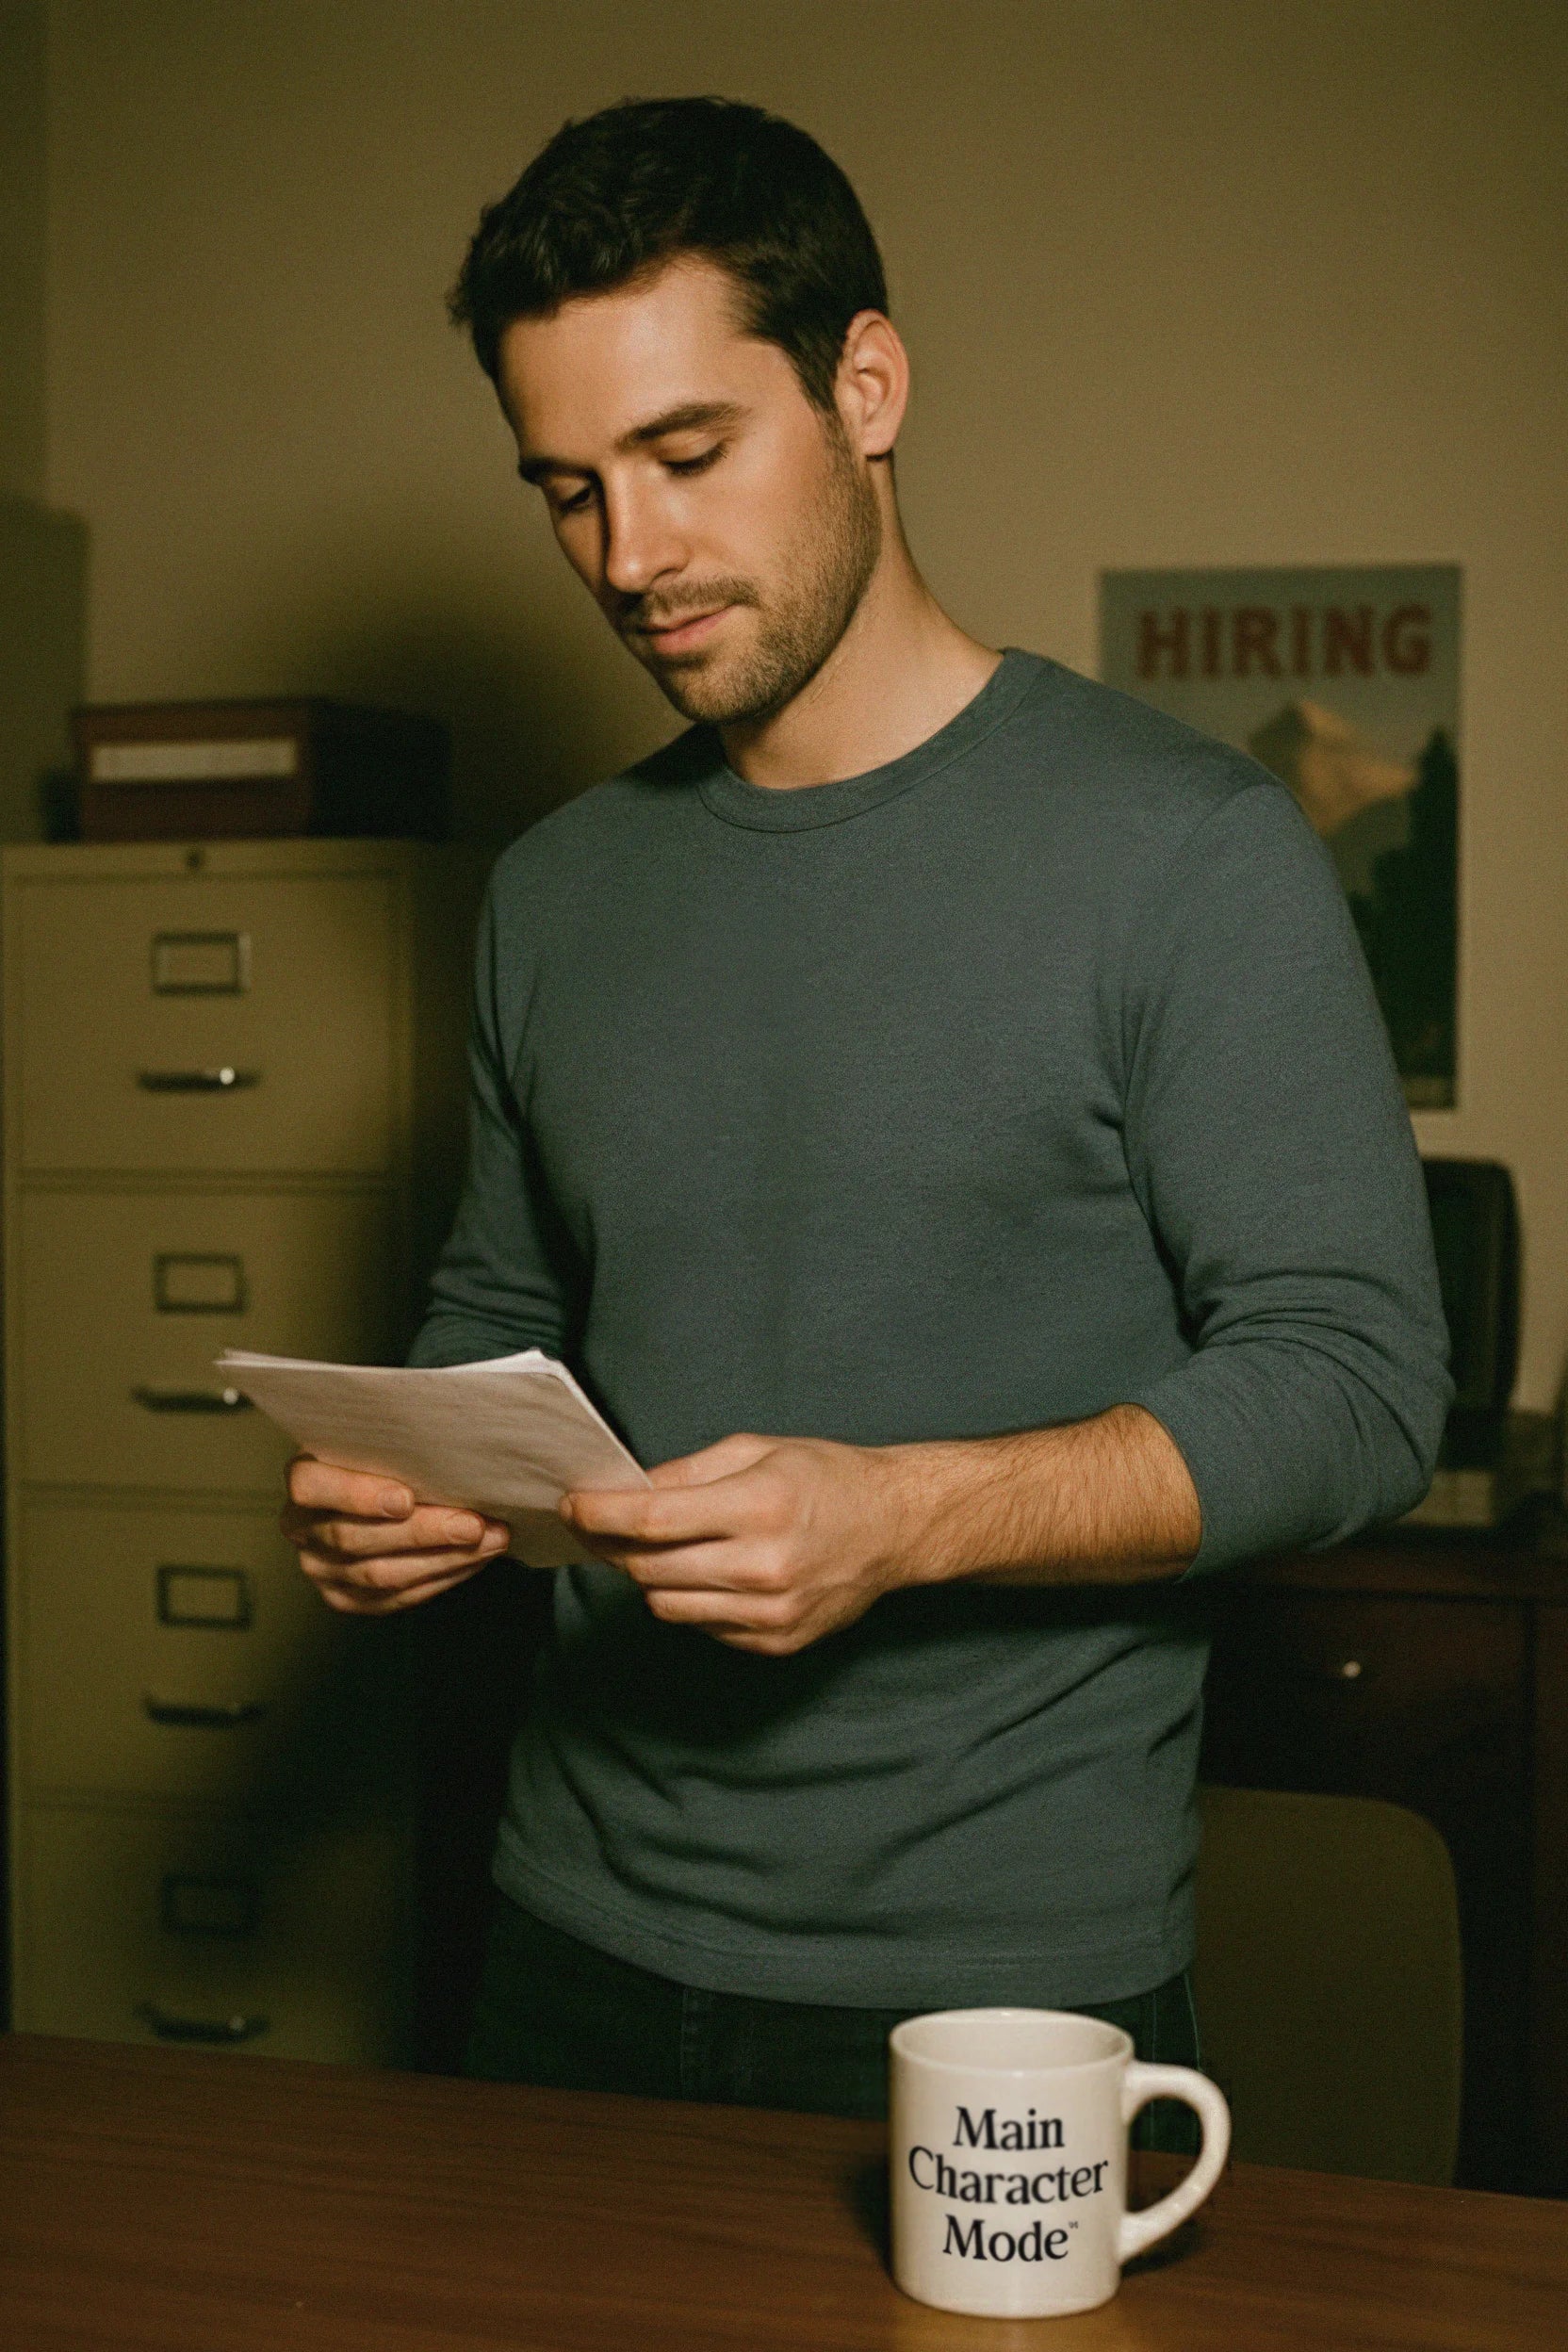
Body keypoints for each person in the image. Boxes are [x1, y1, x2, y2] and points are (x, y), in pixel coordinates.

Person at [281, 97, 1450, 2127]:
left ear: (867, 383)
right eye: (565, 489)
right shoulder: (553, 891)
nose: (626, 559)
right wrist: (423, 1473)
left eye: (684, 455)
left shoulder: (1185, 850)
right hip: (561, 1932)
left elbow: (1354, 1385)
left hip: (1001, 1992)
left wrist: (901, 1519)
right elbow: (501, 1296)